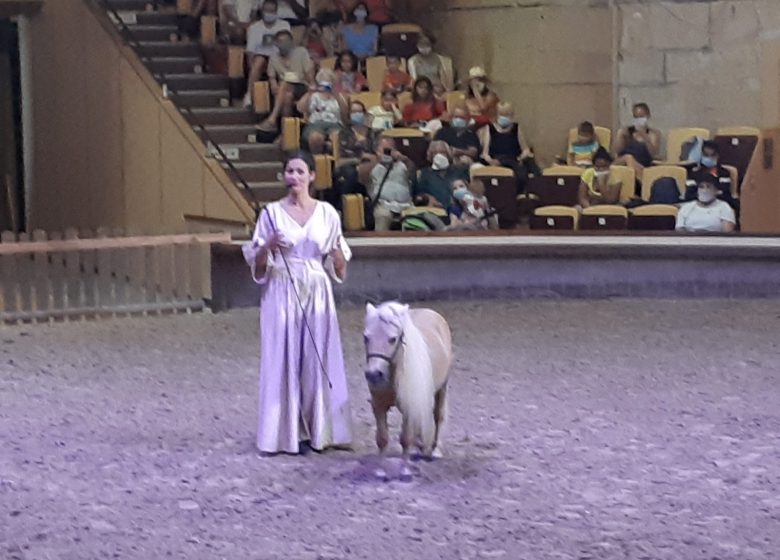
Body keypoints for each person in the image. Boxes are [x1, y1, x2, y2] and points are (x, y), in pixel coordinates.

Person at [241, 151, 353, 455]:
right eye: (289, 171)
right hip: (281, 289)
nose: (294, 177)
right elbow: (258, 265)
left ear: (312, 176)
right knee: (283, 357)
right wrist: (268, 246)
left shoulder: (328, 213)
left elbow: (339, 266)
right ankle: (284, 433)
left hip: (316, 289)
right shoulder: (271, 214)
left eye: (300, 171)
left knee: (318, 360)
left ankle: (321, 430)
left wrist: (337, 256)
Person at [257, 30, 315, 130]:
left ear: (292, 42)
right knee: (287, 97)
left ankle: (272, 119)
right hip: (284, 90)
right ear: (276, 44)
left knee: (284, 84)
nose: (284, 44)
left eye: (286, 41)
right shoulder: (274, 57)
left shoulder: (301, 52)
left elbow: (309, 72)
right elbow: (272, 77)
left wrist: (312, 85)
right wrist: (273, 84)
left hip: (301, 85)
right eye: (281, 42)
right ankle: (285, 132)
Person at [478, 101, 536, 193]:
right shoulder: (489, 128)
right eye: (501, 114)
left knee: (521, 175)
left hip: (513, 161)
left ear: (512, 115)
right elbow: (485, 153)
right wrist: (490, 160)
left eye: (507, 115)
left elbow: (525, 149)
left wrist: (521, 158)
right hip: (495, 160)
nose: (504, 117)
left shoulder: (516, 128)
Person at [244, 0, 292, 107]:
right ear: (262, 11)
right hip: (261, 58)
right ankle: (249, 94)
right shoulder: (254, 28)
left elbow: (288, 47)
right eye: (267, 10)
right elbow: (250, 51)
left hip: (279, 57)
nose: (269, 13)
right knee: (258, 62)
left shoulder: (284, 25)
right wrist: (252, 69)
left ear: (276, 12)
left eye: (272, 11)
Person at [368, 136, 415, 231]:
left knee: (417, 217)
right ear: (377, 150)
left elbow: (413, 172)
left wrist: (403, 159)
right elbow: (363, 175)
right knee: (383, 215)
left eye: (391, 149)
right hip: (383, 205)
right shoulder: (372, 165)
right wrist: (378, 160)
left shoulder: (402, 164)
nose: (388, 152)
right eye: (385, 149)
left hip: (405, 205)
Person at [298, 68, 348, 154]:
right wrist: (309, 93)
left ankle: (333, 158)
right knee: (316, 138)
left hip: (335, 124)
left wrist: (336, 95)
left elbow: (345, 113)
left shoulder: (338, 97)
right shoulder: (313, 95)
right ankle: (318, 161)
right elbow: (300, 108)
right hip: (315, 124)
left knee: (337, 138)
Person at [613, 102, 661, 180]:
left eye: (641, 117)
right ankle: (644, 183)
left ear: (647, 116)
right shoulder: (628, 132)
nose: (639, 120)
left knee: (631, 161)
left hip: (642, 165)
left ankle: (641, 181)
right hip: (622, 163)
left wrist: (645, 137)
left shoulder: (653, 134)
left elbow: (653, 154)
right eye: (636, 117)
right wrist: (620, 136)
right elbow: (617, 151)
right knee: (628, 157)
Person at [415, 141, 468, 209]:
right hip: (435, 211)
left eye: (442, 153)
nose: (439, 156)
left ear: (448, 155)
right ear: (431, 156)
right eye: (435, 153)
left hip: (458, 209)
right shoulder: (424, 173)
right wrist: (428, 198)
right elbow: (419, 194)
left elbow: (468, 190)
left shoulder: (459, 171)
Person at [685, 140, 737, 209]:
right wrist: (712, 194)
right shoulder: (693, 173)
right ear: (702, 155)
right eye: (706, 155)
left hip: (719, 206)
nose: (709, 158)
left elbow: (725, 194)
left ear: (717, 156)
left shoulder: (724, 173)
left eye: (712, 155)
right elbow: (689, 195)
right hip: (697, 207)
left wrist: (704, 195)